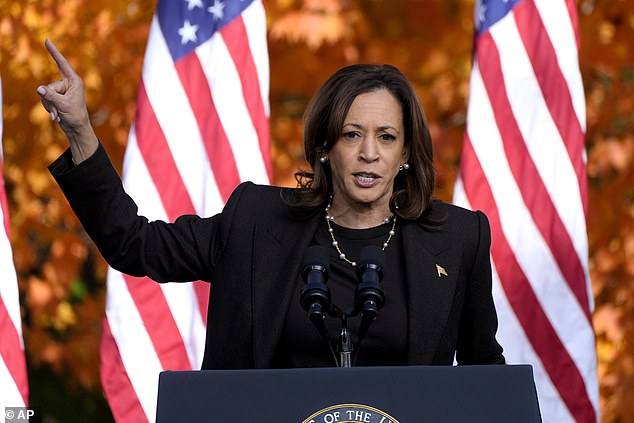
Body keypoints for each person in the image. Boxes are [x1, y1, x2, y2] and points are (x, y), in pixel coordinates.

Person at [37, 39, 504, 369]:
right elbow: (133, 244)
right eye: (352, 135)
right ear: (325, 145)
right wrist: (80, 129)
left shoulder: (458, 238)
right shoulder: (256, 222)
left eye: (386, 138)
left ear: (404, 154)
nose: (369, 153)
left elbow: (486, 370)